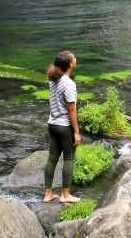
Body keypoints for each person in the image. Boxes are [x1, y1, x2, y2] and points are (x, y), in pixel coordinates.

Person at [43, 50, 82, 203]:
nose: (75, 57)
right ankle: (65, 195)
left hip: (52, 124)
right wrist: (77, 132)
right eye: (74, 57)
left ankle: (48, 194)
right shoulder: (69, 83)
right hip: (64, 126)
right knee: (69, 158)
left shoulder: (53, 80)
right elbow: (71, 109)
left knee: (52, 158)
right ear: (70, 64)